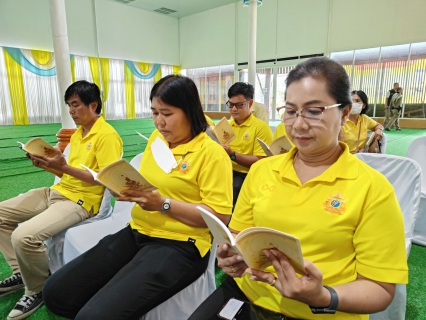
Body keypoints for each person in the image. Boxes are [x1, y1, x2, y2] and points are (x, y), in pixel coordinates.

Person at [189, 57, 408, 320]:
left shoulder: (372, 188)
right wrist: (231, 258)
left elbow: (381, 290)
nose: (299, 124)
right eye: (291, 111)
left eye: (314, 111)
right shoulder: (262, 170)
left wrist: (323, 296)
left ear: (345, 113)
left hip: (321, 312)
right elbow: (237, 234)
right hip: (248, 293)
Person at [42, 75, 233, 320]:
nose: (159, 122)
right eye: (154, 113)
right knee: (56, 293)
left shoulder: (212, 154)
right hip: (137, 231)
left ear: (189, 111)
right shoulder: (157, 140)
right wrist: (121, 187)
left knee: (93, 316)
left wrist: (163, 204)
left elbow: (219, 216)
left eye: (167, 113)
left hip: (182, 245)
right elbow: (145, 182)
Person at [0, 80, 123, 320]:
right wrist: (50, 165)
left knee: (23, 236)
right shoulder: (78, 134)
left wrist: (63, 165)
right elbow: (67, 172)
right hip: (58, 192)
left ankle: (36, 289)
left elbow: (105, 179)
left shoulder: (107, 136)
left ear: (93, 104)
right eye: (69, 105)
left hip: (81, 202)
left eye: (75, 105)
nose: (71, 111)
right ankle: (21, 272)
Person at [224, 82, 273, 206]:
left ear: (250, 103)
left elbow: (260, 160)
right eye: (231, 105)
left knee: (234, 190)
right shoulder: (226, 126)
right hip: (225, 170)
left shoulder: (261, 128)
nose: (234, 109)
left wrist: (232, 154)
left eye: (239, 105)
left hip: (246, 174)